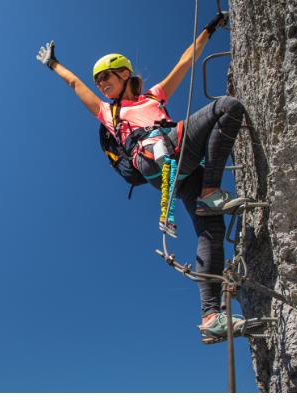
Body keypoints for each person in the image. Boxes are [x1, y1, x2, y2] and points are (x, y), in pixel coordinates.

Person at [36, 12, 247, 343]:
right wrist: (54, 64)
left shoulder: (154, 97)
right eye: (99, 81)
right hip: (157, 157)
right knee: (227, 108)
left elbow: (185, 61)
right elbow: (76, 84)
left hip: (176, 171)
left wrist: (209, 27)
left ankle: (210, 316)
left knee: (212, 230)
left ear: (124, 74)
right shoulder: (109, 113)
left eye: (107, 77)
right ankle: (210, 190)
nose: (102, 84)